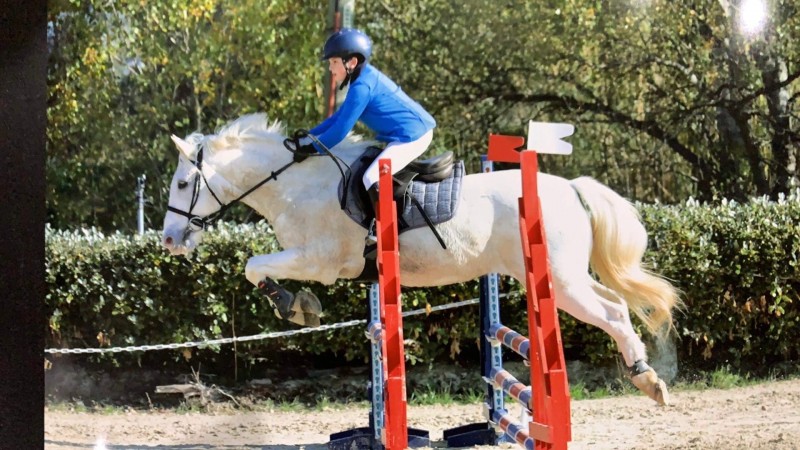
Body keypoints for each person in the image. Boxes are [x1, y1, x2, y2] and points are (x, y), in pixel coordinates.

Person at [295, 28, 436, 246]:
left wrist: (313, 150)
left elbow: (340, 131)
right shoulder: (361, 81)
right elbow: (337, 118)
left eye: (333, 62)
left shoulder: (363, 87)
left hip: (413, 136)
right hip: (406, 134)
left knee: (372, 177)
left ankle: (386, 230)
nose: (330, 68)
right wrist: (308, 136)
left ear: (351, 62)